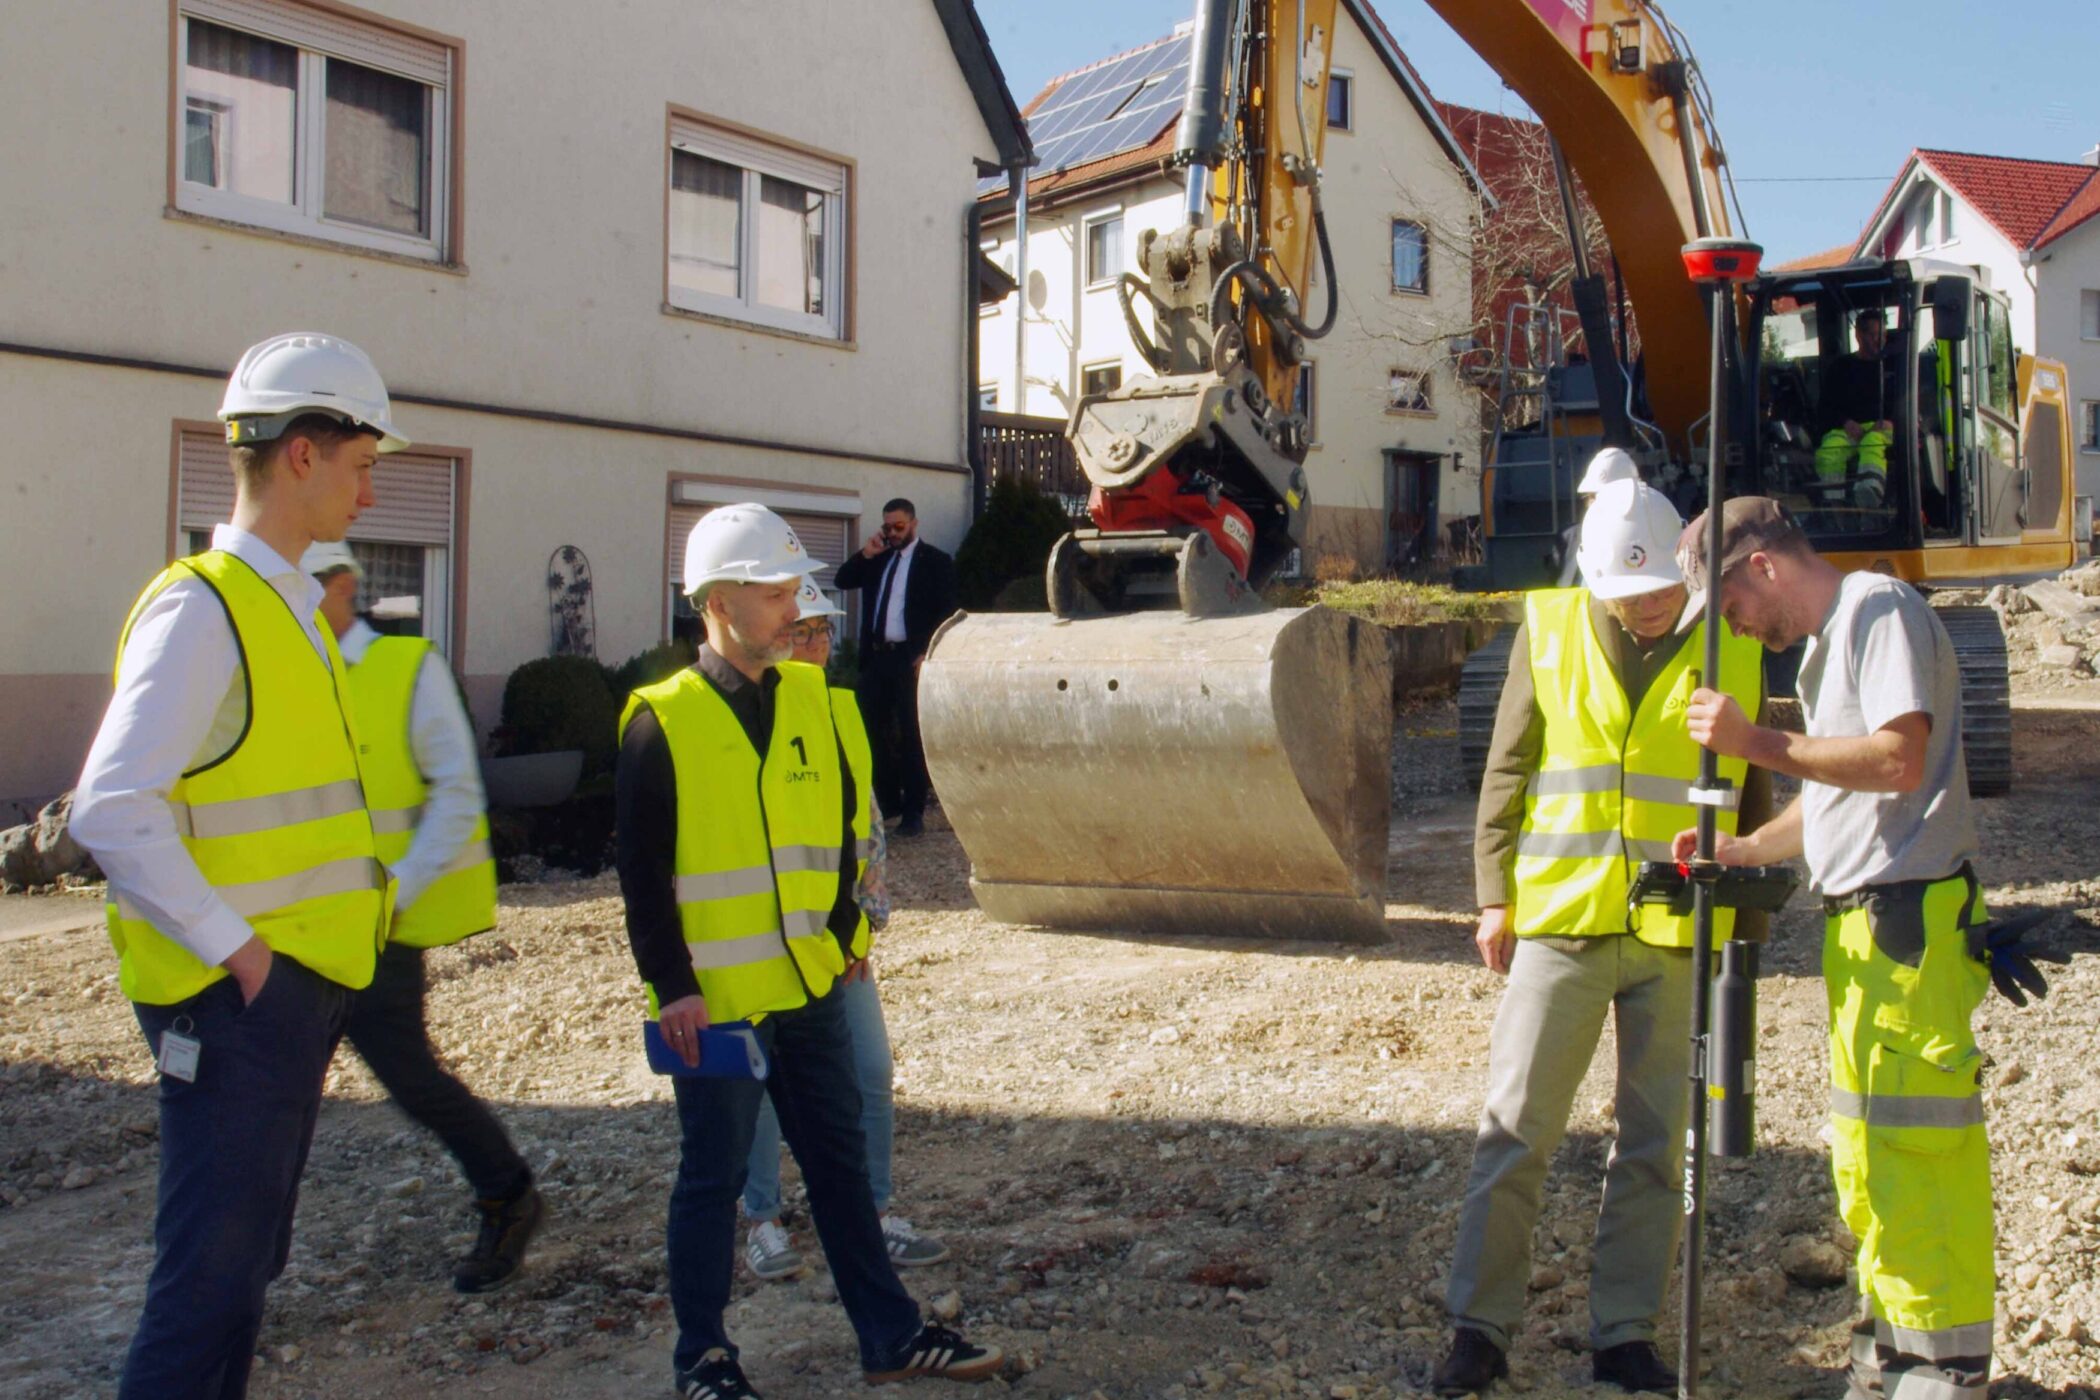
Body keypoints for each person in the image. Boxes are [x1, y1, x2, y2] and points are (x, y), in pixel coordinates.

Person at [70, 332, 405, 1400]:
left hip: (281, 993)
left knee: (239, 1279)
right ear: (302, 453)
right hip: (235, 1001)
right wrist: (245, 958)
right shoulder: (205, 607)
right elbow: (111, 808)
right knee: (204, 1291)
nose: (369, 490)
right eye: (361, 463)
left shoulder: (286, 607)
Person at [614, 503, 998, 1398]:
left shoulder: (814, 704)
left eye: (797, 591)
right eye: (776, 593)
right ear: (717, 602)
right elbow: (642, 877)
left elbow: (843, 833)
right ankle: (704, 1359)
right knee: (711, 1183)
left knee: (839, 1170)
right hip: (716, 1006)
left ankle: (890, 1336)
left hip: (809, 986)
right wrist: (672, 987)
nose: (797, 609)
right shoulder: (659, 722)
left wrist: (842, 936)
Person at [1434, 479, 1770, 1397]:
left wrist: (1745, 928)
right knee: (1514, 1131)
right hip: (1563, 923)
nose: (1647, 606)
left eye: (1660, 589)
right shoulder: (1548, 632)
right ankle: (1479, 1329)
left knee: (1659, 1146)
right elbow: (1508, 768)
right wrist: (1493, 896)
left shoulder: (1733, 645)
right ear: (1593, 580)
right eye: (1628, 594)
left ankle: (1626, 1334)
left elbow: (1754, 792)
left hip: (1678, 929)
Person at [1672, 498, 1999, 1400]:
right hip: (1864, 928)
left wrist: (1754, 742)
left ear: (1763, 565)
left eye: (1729, 604)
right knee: (1869, 1153)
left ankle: (1944, 1368)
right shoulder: (1827, 648)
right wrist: (1745, 848)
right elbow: (1834, 798)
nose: (1733, 625)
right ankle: (1892, 1354)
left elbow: (1896, 759)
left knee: (1918, 1152)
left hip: (1907, 922)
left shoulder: (1877, 610)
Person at [301, 542, 543, 1293]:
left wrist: (390, 896)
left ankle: (507, 1194)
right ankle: (236, 1265)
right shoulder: (285, 675)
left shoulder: (408, 670)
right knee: (271, 1098)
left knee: (410, 1080)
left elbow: (456, 795)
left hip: (377, 931)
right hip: (294, 931)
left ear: (343, 587)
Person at [741, 579, 949, 1283]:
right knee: (760, 1086)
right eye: (801, 632)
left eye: (823, 633)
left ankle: (875, 1211)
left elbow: (866, 829)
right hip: (759, 945)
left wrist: (863, 924)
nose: (815, 646)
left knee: (869, 1072)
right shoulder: (744, 717)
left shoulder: (839, 711)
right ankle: (763, 1220)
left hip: (838, 943)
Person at [832, 499, 958, 837]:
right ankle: (889, 801)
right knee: (869, 728)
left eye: (899, 526)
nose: (892, 533)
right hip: (877, 657)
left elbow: (948, 610)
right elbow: (842, 580)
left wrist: (928, 651)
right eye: (887, 527)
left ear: (914, 524)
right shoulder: (879, 559)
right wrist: (866, 553)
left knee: (911, 734)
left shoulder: (935, 561)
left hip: (910, 658)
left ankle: (913, 811)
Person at [1815, 308, 1896, 490]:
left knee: (1871, 443)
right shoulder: (1840, 368)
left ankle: (1869, 492)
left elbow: (1907, 402)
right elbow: (1826, 407)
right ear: (1858, 335)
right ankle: (1833, 502)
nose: (1879, 340)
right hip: (1849, 431)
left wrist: (1891, 421)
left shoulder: (1895, 366)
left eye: (1883, 335)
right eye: (1873, 335)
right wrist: (1845, 422)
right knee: (1829, 451)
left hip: (1885, 429)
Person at [1556, 446, 1640, 586]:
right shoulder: (1570, 537)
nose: (1592, 504)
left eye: (1597, 496)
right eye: (1590, 497)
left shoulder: (1648, 535)